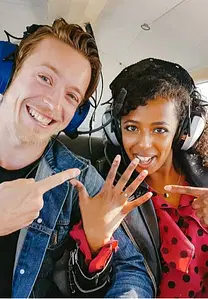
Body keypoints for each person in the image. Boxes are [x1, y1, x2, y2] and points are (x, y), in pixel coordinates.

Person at [0, 19, 154, 298]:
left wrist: (99, 243)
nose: (52, 103)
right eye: (44, 78)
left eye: (71, 95)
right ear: (10, 72)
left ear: (76, 114)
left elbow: (134, 268)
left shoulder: (76, 176)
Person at [88, 58, 208, 298]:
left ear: (184, 133)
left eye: (159, 130)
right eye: (131, 127)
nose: (143, 144)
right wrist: (95, 241)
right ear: (115, 130)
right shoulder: (103, 189)